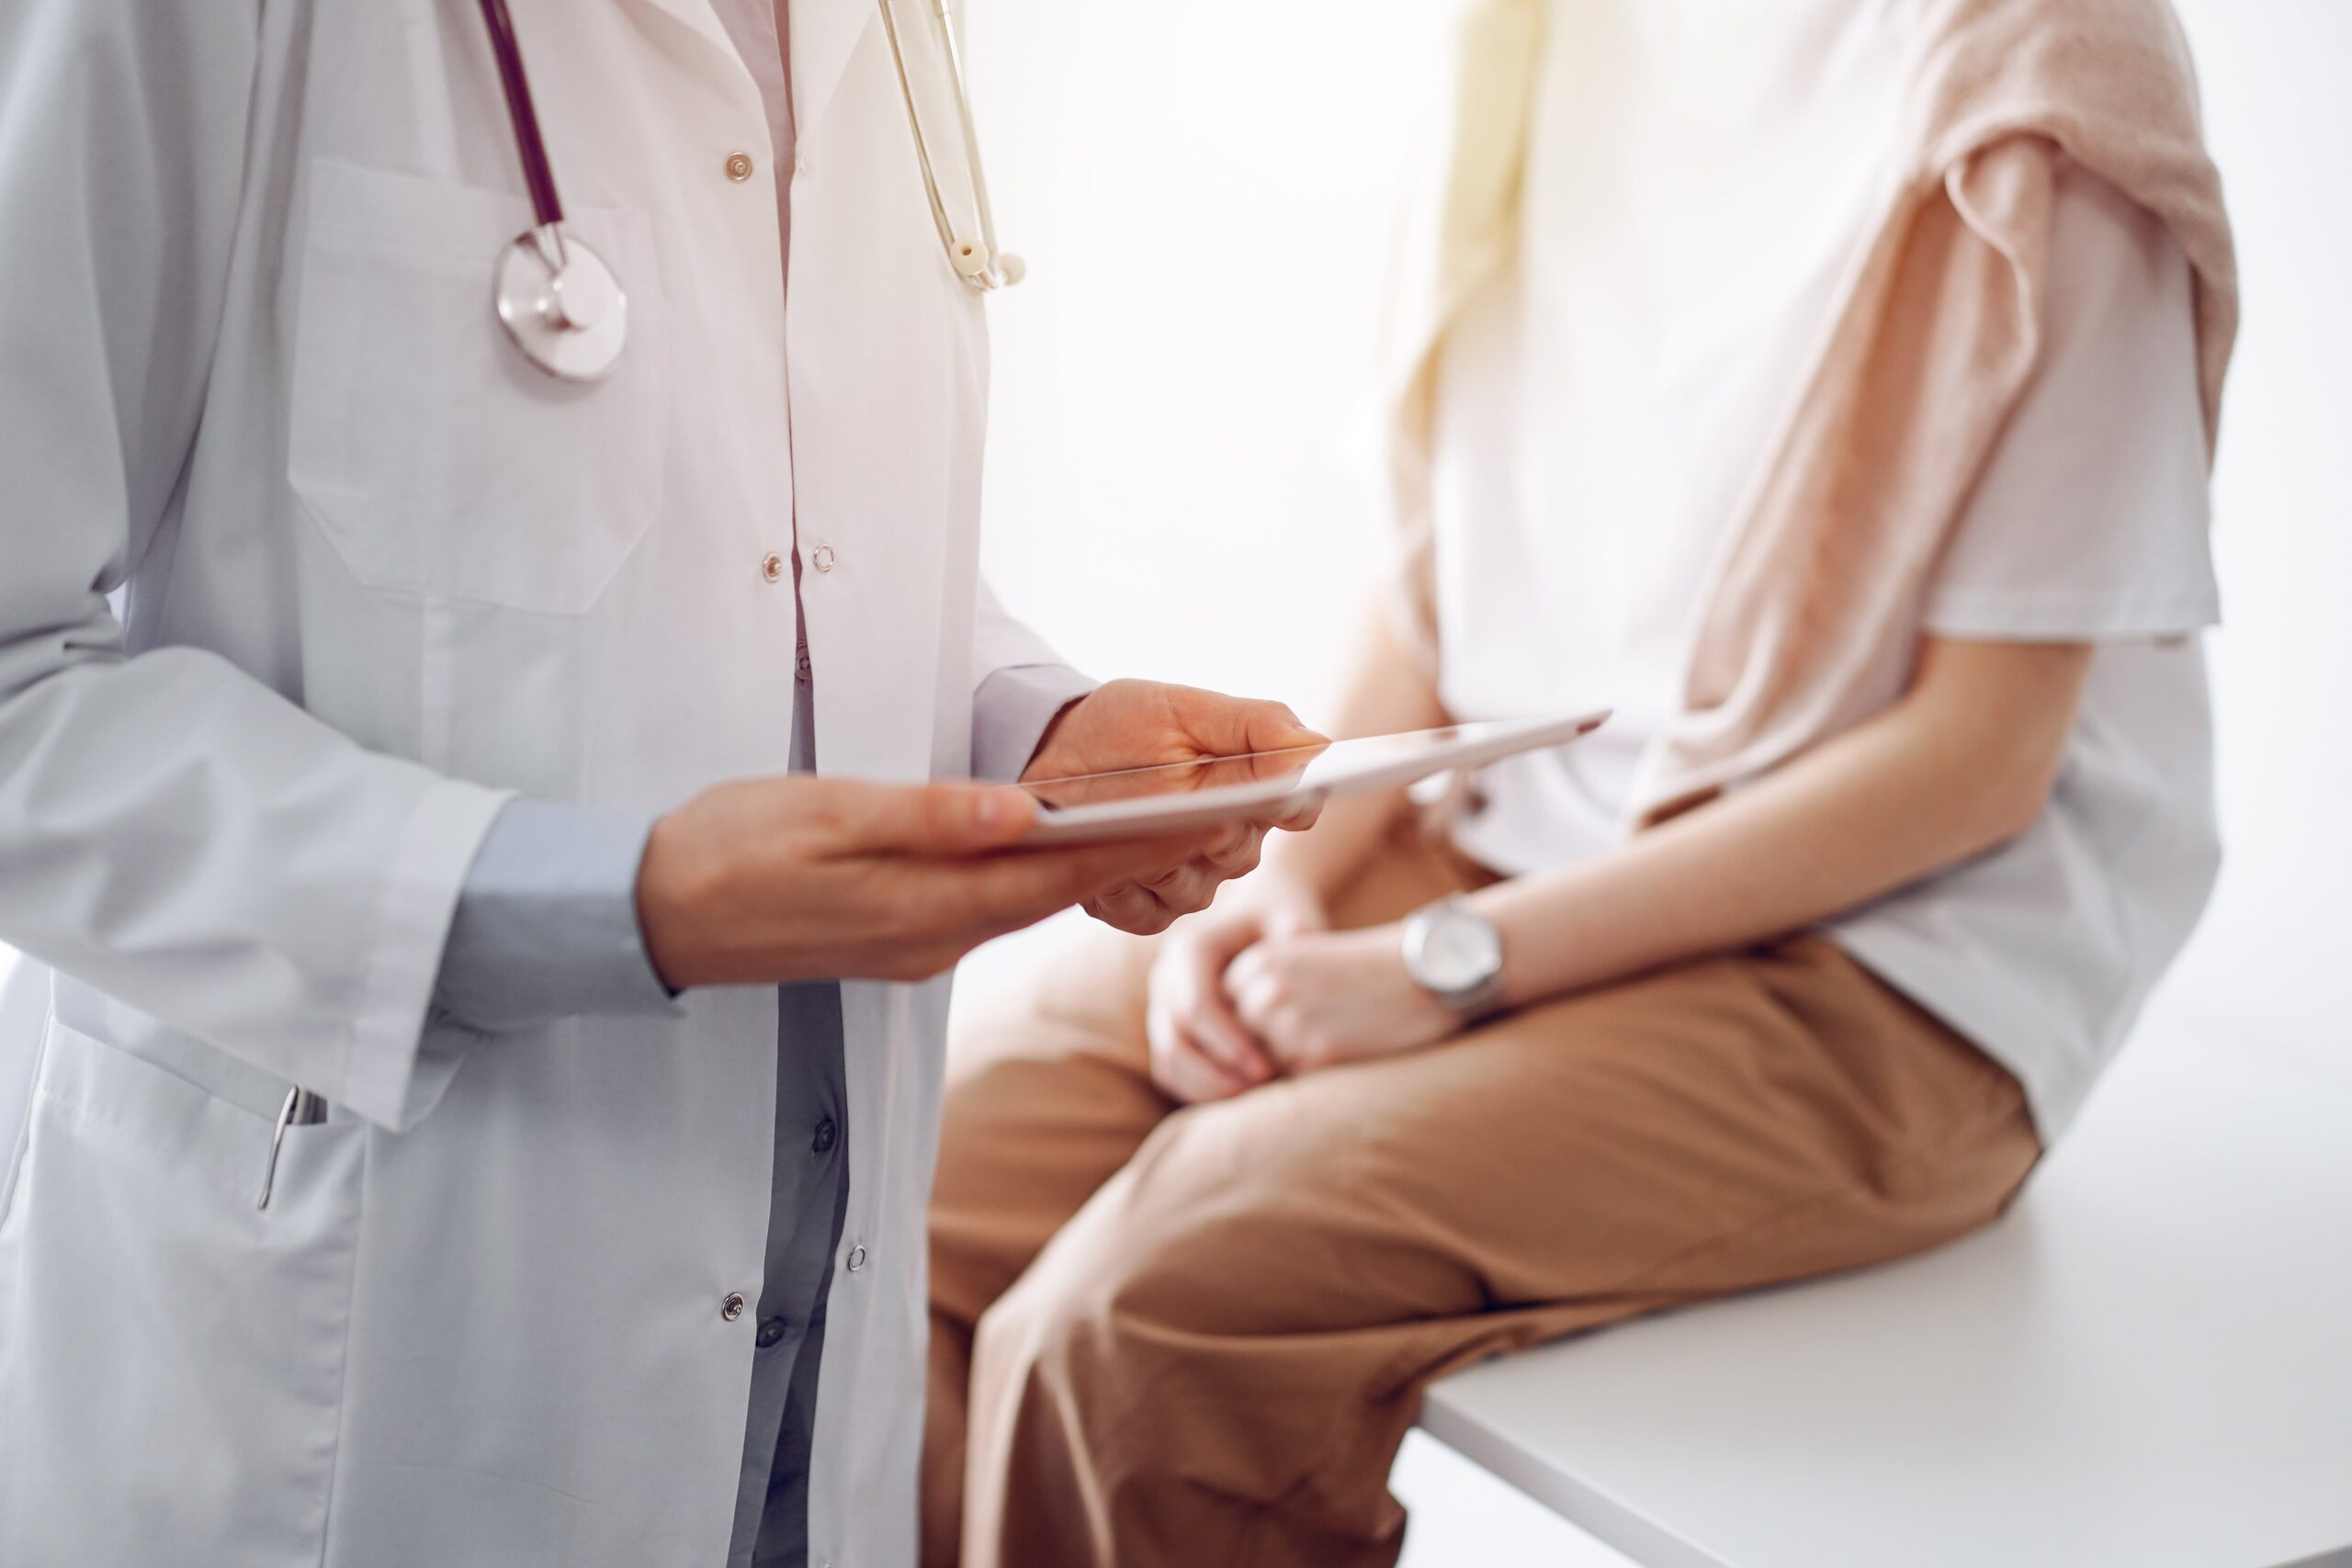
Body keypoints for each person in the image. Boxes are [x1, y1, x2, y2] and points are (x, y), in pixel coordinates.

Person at [0, 3, 1318, 1565]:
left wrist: (1020, 731)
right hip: (375, 1362)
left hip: (817, 1360)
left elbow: (766, 535)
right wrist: (595, 907)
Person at [924, 1, 2239, 1564]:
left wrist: (1448, 969)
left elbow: (1969, 768)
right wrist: (1290, 876)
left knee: (1144, 1321)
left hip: (1886, 966)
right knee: (916, 1204)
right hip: (1481, 843)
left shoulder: (2044, 84)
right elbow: (1440, 588)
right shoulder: (1532, 33)